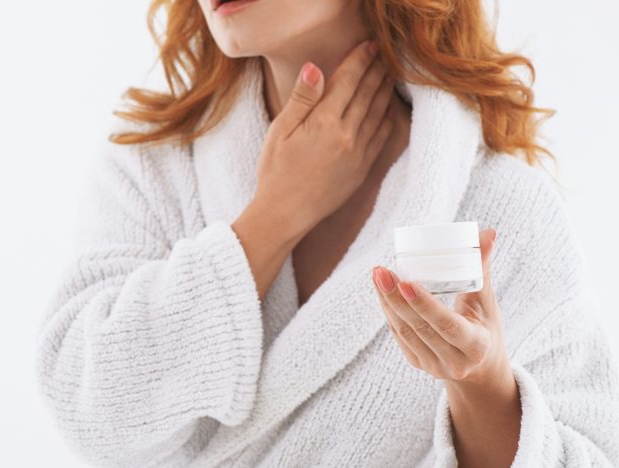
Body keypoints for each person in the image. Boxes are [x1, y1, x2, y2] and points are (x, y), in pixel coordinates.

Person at [35, 0, 619, 466]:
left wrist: (485, 391)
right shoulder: (153, 166)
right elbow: (93, 417)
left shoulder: (502, 208)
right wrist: (272, 217)